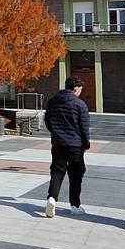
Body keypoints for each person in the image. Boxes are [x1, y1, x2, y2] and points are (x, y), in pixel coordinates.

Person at [43, 76, 91, 217]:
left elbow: (47, 121)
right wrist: (86, 143)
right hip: (75, 145)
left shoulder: (52, 102)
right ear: (76, 89)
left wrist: (56, 132)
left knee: (57, 172)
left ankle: (52, 198)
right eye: (80, 90)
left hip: (58, 143)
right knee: (76, 175)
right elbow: (84, 127)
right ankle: (75, 205)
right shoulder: (80, 104)